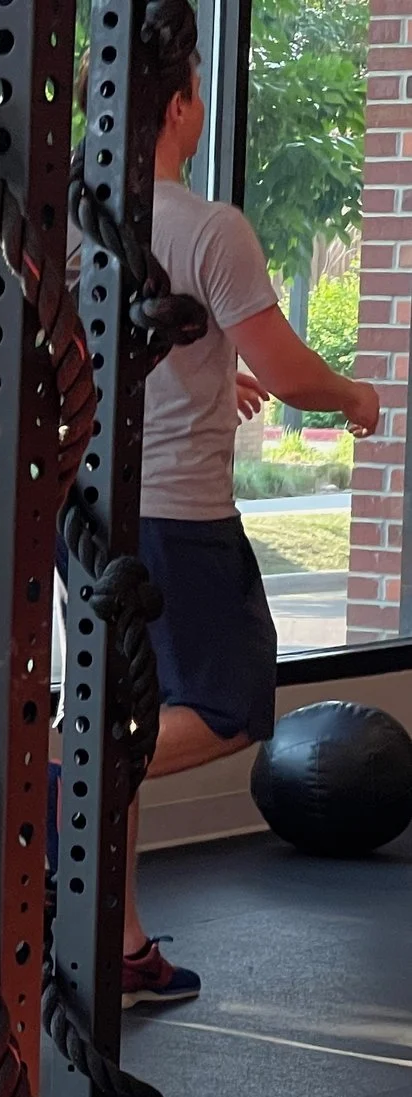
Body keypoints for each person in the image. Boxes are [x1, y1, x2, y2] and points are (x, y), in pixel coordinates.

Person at [114, 24, 380, 1004]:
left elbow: (99, 360)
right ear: (182, 102)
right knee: (227, 707)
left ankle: (120, 942)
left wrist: (203, 377)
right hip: (175, 518)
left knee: (127, 710)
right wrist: (350, 393)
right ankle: (52, 774)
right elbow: (288, 370)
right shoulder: (206, 226)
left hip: (88, 514)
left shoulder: (77, 220)